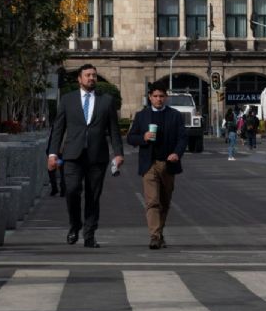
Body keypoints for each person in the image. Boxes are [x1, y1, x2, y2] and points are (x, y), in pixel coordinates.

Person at [47, 64, 124, 248]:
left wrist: (118, 153)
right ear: (79, 79)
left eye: (94, 75)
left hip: (97, 157)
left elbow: (113, 130)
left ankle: (89, 235)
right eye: (88, 75)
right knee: (72, 190)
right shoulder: (67, 100)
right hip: (72, 155)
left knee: (93, 196)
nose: (91, 78)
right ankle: (75, 225)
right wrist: (52, 153)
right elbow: (58, 128)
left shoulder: (106, 100)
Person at [126, 82, 187, 249]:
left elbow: (182, 138)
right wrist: (143, 138)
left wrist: (177, 153)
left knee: (164, 202)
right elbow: (131, 138)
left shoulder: (175, 115)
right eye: (155, 96)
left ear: (165, 97)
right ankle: (154, 236)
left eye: (161, 96)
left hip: (168, 164)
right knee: (152, 201)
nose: (158, 99)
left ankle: (159, 233)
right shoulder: (142, 116)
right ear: (150, 98)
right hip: (149, 164)